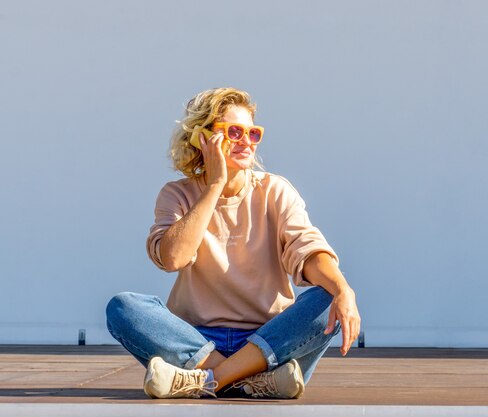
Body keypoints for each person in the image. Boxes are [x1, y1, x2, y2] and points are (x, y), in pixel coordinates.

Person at [105, 87, 361, 399]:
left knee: (328, 297)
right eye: (234, 131)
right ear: (202, 138)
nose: (246, 141)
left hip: (268, 339)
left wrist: (343, 290)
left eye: (253, 133)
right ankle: (250, 382)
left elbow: (307, 250)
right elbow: (173, 258)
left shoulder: (275, 191)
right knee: (123, 308)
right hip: (196, 340)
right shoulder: (177, 194)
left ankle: (207, 381)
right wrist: (215, 185)